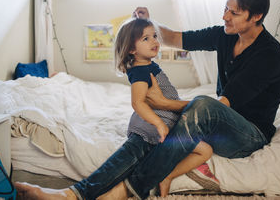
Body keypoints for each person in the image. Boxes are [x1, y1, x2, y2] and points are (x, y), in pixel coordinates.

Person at [98, 0, 280, 200]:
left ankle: (129, 188)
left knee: (203, 104)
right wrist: (148, 23)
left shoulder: (269, 55)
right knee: (161, 128)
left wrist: (163, 104)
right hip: (219, 126)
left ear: (256, 16)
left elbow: (221, 106)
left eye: (234, 12)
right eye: (225, 8)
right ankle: (101, 182)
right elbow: (176, 38)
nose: (225, 16)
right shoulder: (225, 35)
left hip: (249, 135)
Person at [15, 18, 213, 200]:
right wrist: (158, 123)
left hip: (166, 128)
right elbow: (138, 103)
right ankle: (73, 194)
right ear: (131, 50)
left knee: (205, 150)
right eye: (146, 38)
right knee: (121, 163)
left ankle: (166, 175)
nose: (154, 41)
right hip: (149, 129)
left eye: (154, 36)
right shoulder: (140, 71)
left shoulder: (148, 65)